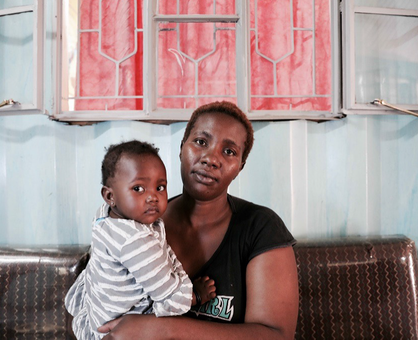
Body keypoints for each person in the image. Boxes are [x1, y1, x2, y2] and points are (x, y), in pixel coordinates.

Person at [84, 101, 298, 339]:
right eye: (201, 142)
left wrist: (161, 328)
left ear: (240, 167)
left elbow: (277, 335)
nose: (210, 158)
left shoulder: (260, 227)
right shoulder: (132, 225)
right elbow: (98, 300)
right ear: (181, 147)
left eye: (229, 152)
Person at [65, 140, 217, 339]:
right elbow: (168, 295)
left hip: (99, 313)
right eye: (138, 189)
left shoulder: (105, 217)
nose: (152, 197)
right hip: (120, 329)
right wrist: (195, 296)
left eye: (160, 187)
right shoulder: (136, 241)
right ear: (109, 196)